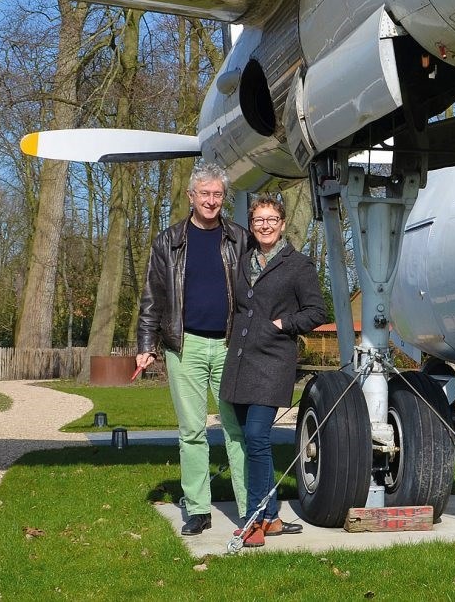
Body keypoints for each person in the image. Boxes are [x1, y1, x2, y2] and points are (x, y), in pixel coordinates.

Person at [136, 160, 248, 536]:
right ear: (191, 196)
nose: (211, 200)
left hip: (230, 347)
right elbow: (153, 297)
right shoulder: (168, 242)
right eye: (205, 194)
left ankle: (250, 508)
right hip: (185, 348)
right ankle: (198, 509)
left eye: (218, 194)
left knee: (236, 429)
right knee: (192, 431)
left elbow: (258, 291)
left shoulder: (239, 238)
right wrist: (146, 344)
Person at [220, 193, 327, 547]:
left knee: (257, 438)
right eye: (258, 220)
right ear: (252, 225)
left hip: (271, 362)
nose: (264, 225)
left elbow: (316, 312)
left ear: (282, 224)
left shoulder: (299, 265)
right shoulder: (243, 260)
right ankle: (271, 517)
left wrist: (282, 324)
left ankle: (253, 521)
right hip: (239, 361)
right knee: (251, 441)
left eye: (271, 220)